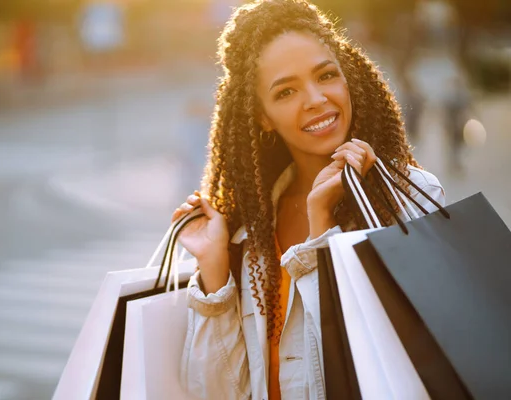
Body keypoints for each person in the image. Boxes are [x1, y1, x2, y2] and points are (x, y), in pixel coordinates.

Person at [171, 1, 445, 399]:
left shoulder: (405, 197)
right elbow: (214, 392)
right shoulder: (248, 230)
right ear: (262, 116)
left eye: (326, 75)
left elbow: (388, 367)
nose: (316, 98)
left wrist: (322, 228)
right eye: (285, 91)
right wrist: (214, 268)